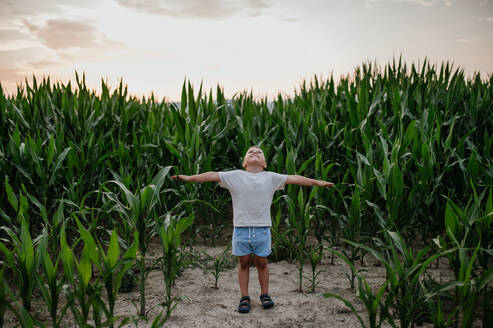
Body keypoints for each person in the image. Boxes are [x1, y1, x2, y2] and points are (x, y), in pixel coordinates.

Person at [172, 146, 334, 313]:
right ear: (244, 162)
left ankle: (265, 295)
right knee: (243, 263)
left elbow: (294, 178)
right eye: (250, 151)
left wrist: (317, 183)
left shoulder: (271, 177)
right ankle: (244, 297)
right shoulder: (235, 176)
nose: (255, 152)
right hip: (240, 229)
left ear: (264, 163)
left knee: (262, 263)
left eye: (259, 152)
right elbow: (212, 175)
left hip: (262, 229)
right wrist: (189, 178)